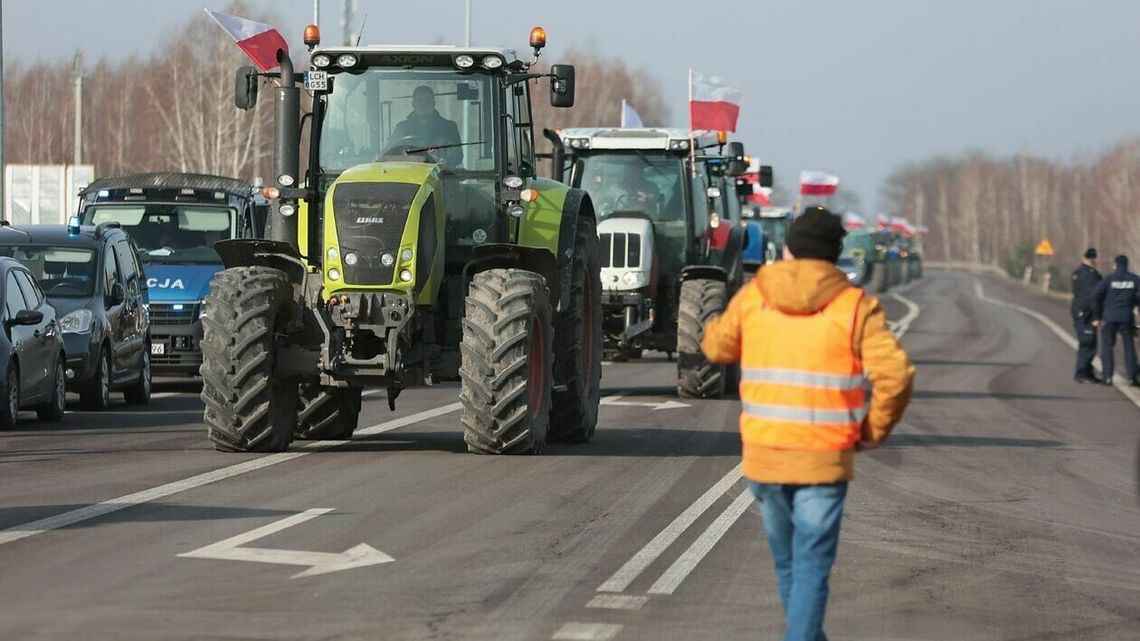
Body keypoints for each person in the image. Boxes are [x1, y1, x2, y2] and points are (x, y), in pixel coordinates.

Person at [700, 205, 914, 641]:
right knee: (812, 565)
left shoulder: (757, 294)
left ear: (791, 248)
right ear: (836, 253)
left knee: (790, 564)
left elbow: (717, 348)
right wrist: (872, 430)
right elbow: (896, 375)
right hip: (824, 459)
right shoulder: (856, 307)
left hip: (766, 458)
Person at [1090, 254, 1140, 386]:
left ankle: (1107, 377)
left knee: (1107, 347)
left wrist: (1097, 315)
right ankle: (1132, 377)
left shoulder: (1109, 279)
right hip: (1126, 317)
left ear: (1115, 265)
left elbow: (1095, 296)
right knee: (1129, 346)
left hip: (1109, 317)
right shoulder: (1135, 279)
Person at [391, 85, 463, 166]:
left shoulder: (449, 128)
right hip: (408, 174)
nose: (424, 104)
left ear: (434, 103)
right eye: (420, 100)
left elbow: (457, 155)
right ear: (413, 104)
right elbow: (390, 151)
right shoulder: (402, 128)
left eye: (428, 100)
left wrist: (445, 160)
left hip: (439, 175)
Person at [1071, 248, 1102, 383]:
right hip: (1087, 314)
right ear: (1093, 259)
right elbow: (1092, 298)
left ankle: (1088, 372)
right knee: (1088, 344)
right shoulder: (1091, 276)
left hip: (1078, 311)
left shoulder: (1077, 273)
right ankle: (1082, 373)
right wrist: (1096, 316)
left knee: (1088, 343)